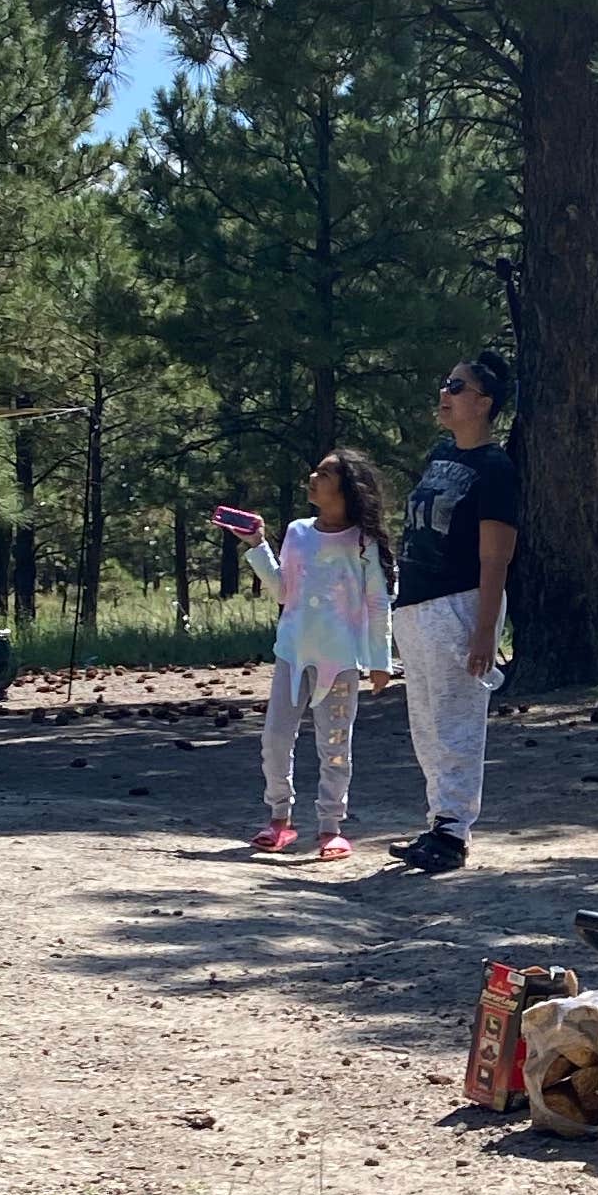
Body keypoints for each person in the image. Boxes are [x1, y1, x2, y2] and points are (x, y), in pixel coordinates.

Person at [388, 349, 519, 871]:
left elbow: (496, 554)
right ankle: (438, 821)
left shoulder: (495, 468)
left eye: (457, 387)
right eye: (445, 384)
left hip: (460, 603)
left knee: (457, 721)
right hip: (416, 603)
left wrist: (485, 629)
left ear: (484, 403)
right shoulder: (441, 456)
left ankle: (454, 832)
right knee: (426, 721)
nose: (445, 393)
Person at [229, 452, 396, 859]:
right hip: (292, 653)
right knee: (275, 738)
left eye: (324, 473)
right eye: (316, 470)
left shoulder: (363, 543)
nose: (313, 477)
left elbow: (378, 602)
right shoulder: (298, 532)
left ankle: (330, 827)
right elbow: (283, 590)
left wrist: (380, 660)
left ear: (346, 488)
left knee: (335, 744)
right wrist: (257, 546)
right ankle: (279, 819)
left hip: (340, 663)